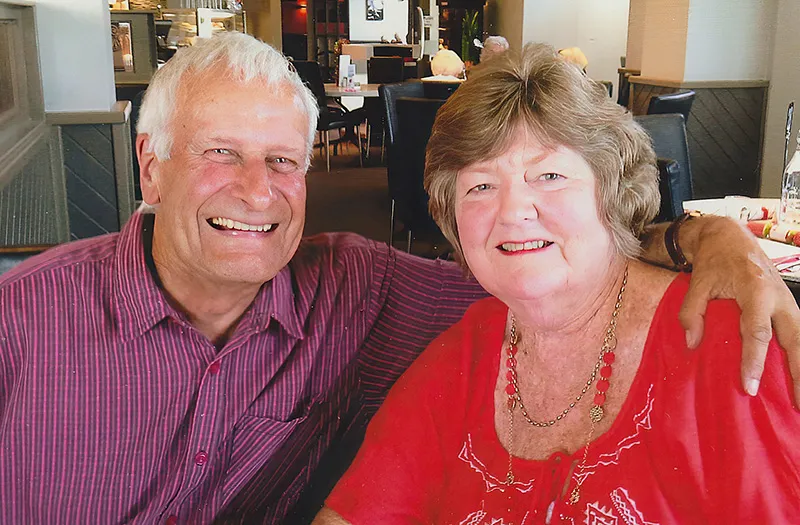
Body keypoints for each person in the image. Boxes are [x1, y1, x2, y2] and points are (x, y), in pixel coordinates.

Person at [0, 34, 798, 524]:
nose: (255, 190)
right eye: (219, 153)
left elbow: (564, 271)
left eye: (283, 160)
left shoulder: (358, 288)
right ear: (151, 166)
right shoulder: (22, 320)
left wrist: (705, 236)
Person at [316, 45, 800, 524]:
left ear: (611, 191)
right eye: (480, 186)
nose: (512, 211)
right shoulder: (463, 352)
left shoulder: (731, 345)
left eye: (548, 175)